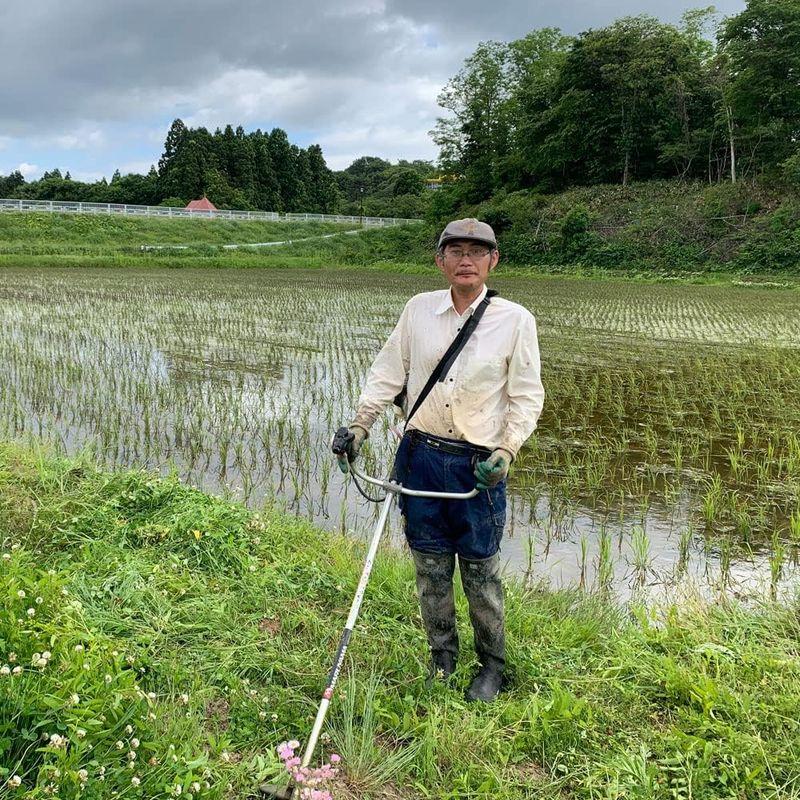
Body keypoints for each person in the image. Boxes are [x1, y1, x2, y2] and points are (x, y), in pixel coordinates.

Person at [335, 218, 544, 702]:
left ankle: (491, 664)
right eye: (455, 251)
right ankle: (442, 656)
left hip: (478, 464)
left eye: (477, 250)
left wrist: (506, 450)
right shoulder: (418, 311)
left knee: (480, 570)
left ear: (494, 260)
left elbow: (526, 396)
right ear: (440, 260)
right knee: (430, 566)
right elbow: (388, 374)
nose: (465, 259)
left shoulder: (515, 320)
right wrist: (360, 425)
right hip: (422, 456)